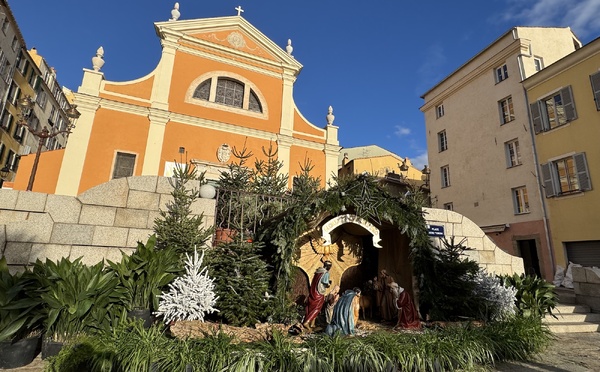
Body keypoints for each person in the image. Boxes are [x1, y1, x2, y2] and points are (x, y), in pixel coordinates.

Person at [303, 260, 333, 329]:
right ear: (328, 266)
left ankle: (312, 324)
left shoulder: (318, 271)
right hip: (319, 293)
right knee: (317, 309)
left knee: (312, 308)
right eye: (330, 266)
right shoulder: (326, 273)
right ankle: (307, 322)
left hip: (314, 292)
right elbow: (325, 282)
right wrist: (329, 283)